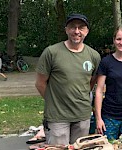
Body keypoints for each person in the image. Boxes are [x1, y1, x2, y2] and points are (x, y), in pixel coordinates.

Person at [35, 13, 101, 145]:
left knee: (79, 147)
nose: (76, 31)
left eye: (81, 28)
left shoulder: (94, 56)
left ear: (87, 31)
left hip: (82, 115)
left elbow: (91, 83)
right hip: (57, 117)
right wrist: (54, 102)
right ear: (66, 30)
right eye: (72, 27)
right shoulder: (51, 52)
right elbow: (40, 83)